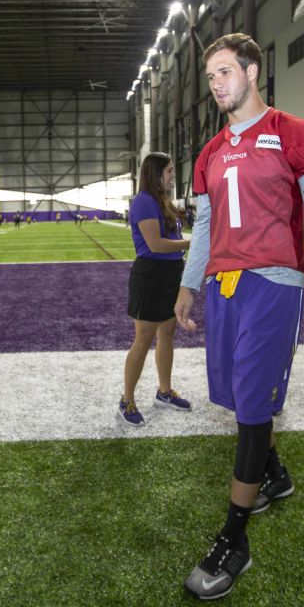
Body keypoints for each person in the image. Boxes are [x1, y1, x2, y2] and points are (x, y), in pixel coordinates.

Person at [173, 33, 304, 600]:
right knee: (234, 395)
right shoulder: (210, 151)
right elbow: (203, 227)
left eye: (225, 72)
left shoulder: (295, 134)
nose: (217, 84)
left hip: (274, 281)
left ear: (252, 70)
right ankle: (273, 472)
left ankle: (234, 540)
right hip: (224, 285)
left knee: (250, 405)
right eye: (211, 77)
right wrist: (187, 283)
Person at [118, 152, 193, 426]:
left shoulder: (162, 201)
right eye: (169, 171)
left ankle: (164, 391)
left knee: (168, 333)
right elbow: (156, 245)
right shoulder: (143, 202)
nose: (173, 175)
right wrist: (191, 245)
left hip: (170, 274)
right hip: (150, 276)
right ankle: (126, 399)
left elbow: (171, 238)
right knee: (143, 338)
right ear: (155, 173)